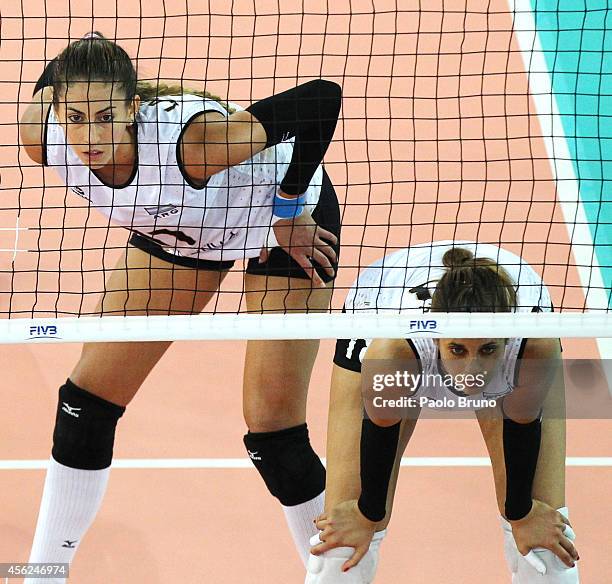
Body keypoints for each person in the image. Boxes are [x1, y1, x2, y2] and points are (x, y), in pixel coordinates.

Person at [19, 31, 342, 582]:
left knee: (273, 431)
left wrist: (289, 209)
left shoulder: (197, 144)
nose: (89, 135)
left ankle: (338, 576)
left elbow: (319, 98)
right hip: (176, 229)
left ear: (133, 108)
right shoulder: (42, 137)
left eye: (105, 116)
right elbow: (59, 71)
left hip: (272, 221)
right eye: (74, 115)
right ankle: (44, 572)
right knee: (85, 404)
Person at [305, 241, 580, 583]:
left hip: (512, 314)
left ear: (507, 340)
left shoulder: (534, 344)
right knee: (343, 546)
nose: (472, 369)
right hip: (382, 298)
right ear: (437, 340)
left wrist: (522, 512)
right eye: (458, 349)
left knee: (546, 547)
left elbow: (522, 422)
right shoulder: (393, 350)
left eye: (488, 348)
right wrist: (367, 512)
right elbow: (382, 428)